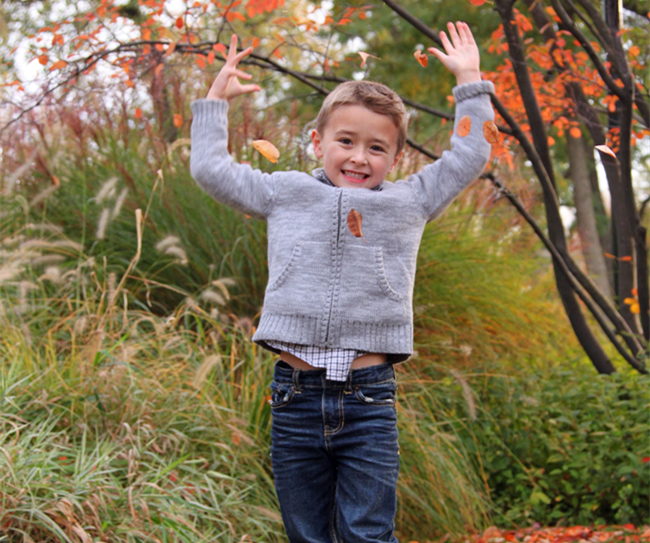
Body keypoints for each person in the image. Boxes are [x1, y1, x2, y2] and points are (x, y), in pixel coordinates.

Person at [190, 21, 494, 543]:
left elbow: (470, 155)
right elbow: (210, 169)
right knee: (306, 533)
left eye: (377, 148)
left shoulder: (411, 200)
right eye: (346, 141)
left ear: (396, 157)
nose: (359, 157)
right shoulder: (285, 192)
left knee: (366, 532)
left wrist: (470, 81)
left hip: (369, 400)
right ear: (318, 141)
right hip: (295, 397)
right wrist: (214, 103)